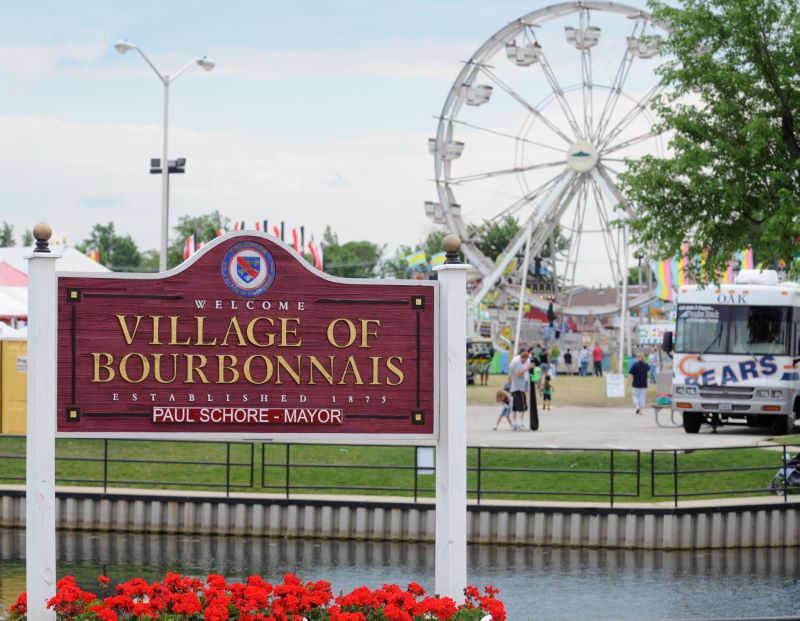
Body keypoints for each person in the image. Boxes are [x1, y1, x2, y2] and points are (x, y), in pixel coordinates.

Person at [508, 349, 533, 430]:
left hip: (515, 387)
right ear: (522, 358)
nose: (524, 362)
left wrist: (510, 387)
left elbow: (510, 375)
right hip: (519, 388)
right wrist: (528, 368)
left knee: (514, 407)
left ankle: (514, 424)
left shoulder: (517, 360)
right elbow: (518, 374)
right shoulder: (516, 362)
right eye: (524, 360)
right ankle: (520, 423)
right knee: (523, 407)